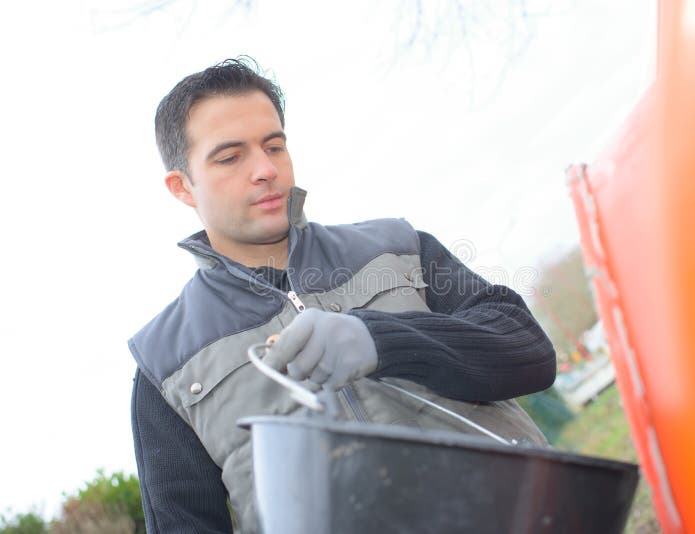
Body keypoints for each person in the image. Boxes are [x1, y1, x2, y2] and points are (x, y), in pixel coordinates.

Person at [130, 57, 556, 533]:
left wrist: (383, 340)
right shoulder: (164, 367)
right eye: (230, 157)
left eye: (274, 146)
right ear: (182, 187)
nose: (265, 170)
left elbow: (531, 354)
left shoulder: (399, 246)